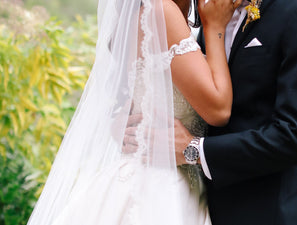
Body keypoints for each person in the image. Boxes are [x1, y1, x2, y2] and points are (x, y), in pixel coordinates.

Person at [27, 0, 241, 224]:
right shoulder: (161, 11)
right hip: (160, 189)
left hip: (166, 181)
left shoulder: (144, 16)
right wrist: (214, 27)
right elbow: (218, 110)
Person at [174, 0, 297, 224]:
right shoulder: (214, 15)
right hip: (202, 208)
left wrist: (193, 149)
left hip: (271, 213)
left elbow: (294, 136)